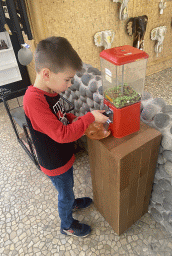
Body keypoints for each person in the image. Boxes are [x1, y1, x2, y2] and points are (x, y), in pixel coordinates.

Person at [23, 36, 109, 237]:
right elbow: (61, 134)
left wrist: (78, 118)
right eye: (67, 79)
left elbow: (60, 116)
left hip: (62, 156)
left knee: (68, 186)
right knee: (64, 193)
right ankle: (67, 224)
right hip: (54, 162)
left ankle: (72, 202)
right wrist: (87, 118)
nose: (69, 84)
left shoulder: (50, 90)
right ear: (46, 73)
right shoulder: (34, 101)